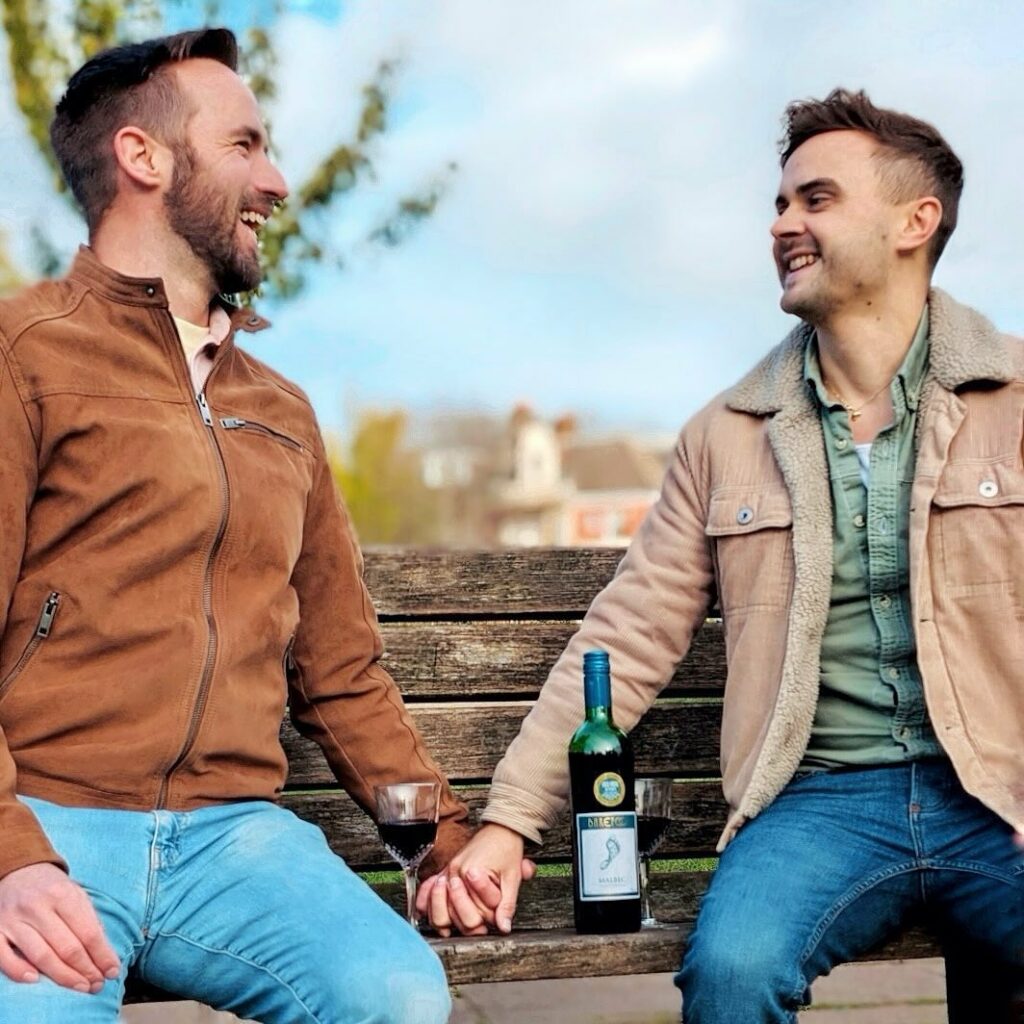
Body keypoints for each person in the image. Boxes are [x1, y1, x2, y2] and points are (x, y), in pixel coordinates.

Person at [420, 89, 1024, 1020]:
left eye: (815, 199)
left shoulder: (1014, 397)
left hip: (1000, 793)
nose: (783, 223)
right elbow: (627, 632)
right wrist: (509, 822)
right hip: (823, 805)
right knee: (730, 975)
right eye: (780, 204)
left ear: (917, 221)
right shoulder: (728, 433)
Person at [0, 28, 471, 1024]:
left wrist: (443, 836)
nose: (279, 180)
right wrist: (7, 858)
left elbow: (340, 668)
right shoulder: (23, 353)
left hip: (235, 839)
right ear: (144, 158)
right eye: (246, 145)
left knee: (396, 996)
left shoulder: (281, 407)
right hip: (47, 818)